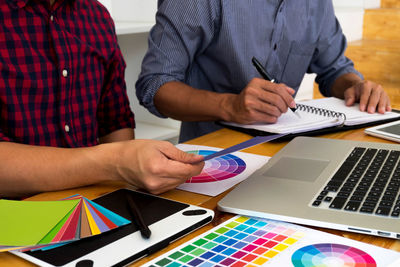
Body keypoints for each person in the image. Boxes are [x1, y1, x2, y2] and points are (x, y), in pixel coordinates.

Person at [0, 0, 204, 198]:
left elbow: (115, 123)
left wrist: (127, 177)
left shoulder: (97, 16)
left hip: (93, 203)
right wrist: (117, 162)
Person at [136, 0, 391, 143]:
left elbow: (334, 68)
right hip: (214, 158)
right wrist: (230, 105)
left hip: (291, 150)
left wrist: (353, 86)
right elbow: (155, 85)